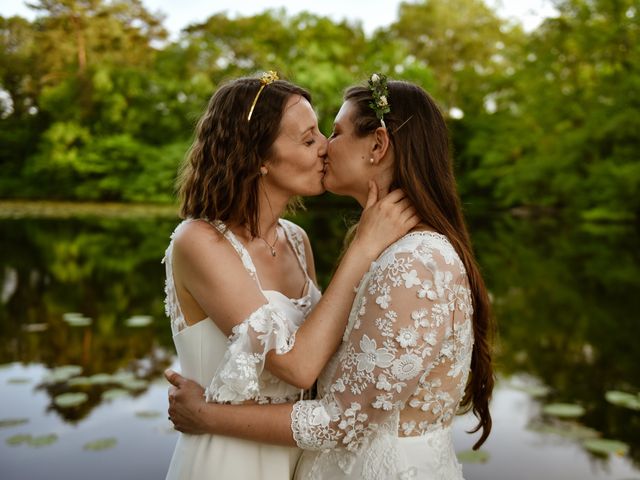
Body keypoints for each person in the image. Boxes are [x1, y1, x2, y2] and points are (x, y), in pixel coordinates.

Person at [166, 75, 495, 479]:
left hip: (292, 452)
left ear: (378, 146)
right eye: (309, 139)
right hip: (230, 460)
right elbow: (304, 368)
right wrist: (362, 250)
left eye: (329, 132)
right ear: (258, 158)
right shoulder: (199, 242)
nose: (324, 146)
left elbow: (326, 383)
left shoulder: (299, 242)